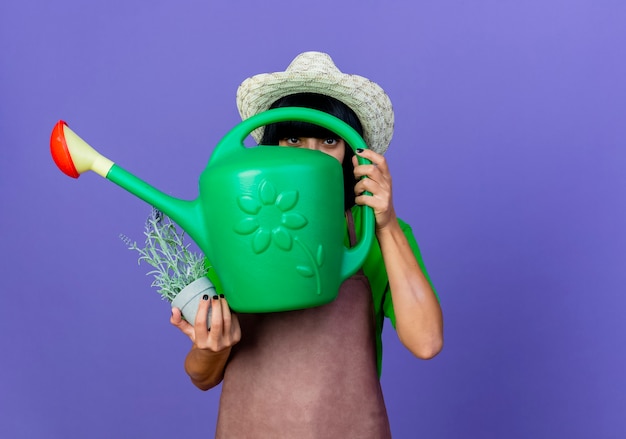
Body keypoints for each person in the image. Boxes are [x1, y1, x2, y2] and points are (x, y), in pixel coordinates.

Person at [170, 51, 443, 438]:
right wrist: (209, 347)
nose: (312, 156)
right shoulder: (237, 232)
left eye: (329, 140)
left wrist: (387, 223)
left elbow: (427, 342)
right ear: (270, 147)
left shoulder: (377, 235)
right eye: (293, 138)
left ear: (351, 153)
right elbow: (203, 377)